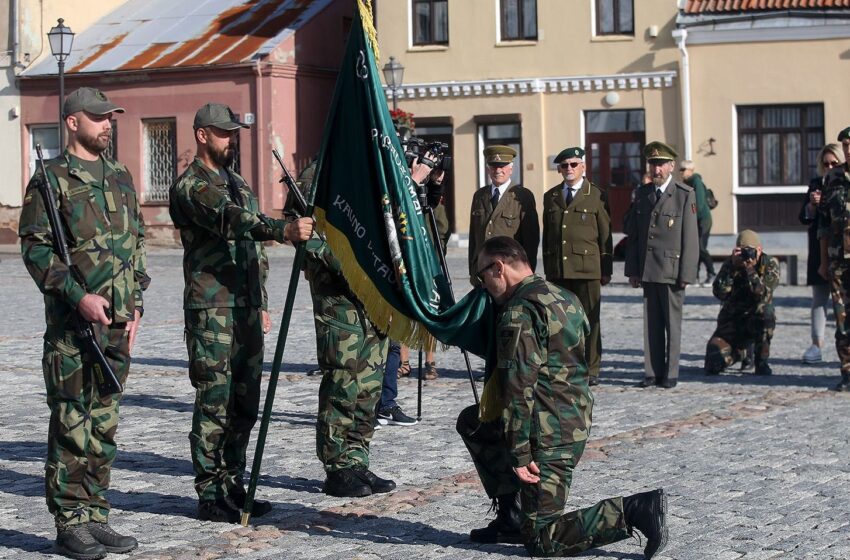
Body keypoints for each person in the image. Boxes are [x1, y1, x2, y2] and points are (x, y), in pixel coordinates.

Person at [457, 236, 667, 558]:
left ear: (498, 267)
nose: (481, 286)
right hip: (571, 419)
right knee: (474, 422)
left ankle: (635, 510)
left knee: (542, 541)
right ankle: (512, 517)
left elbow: (518, 389)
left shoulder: (518, 312)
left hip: (549, 436)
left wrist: (521, 454)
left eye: (481, 276)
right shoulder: (564, 297)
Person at [19, 87, 148, 559]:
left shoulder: (119, 175)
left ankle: (96, 513)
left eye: (110, 118)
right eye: (98, 118)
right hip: (74, 327)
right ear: (73, 123)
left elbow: (136, 244)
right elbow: (35, 249)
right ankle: (69, 520)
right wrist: (79, 296)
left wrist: (136, 304)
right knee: (73, 422)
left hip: (116, 326)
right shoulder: (50, 179)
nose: (107, 125)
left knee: (105, 424)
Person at [168, 103, 313, 523]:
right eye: (223, 133)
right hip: (212, 307)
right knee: (215, 399)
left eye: (233, 133)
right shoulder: (192, 185)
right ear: (201, 135)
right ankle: (210, 491)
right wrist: (281, 230)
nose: (230, 140)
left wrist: (261, 300)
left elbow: (253, 252)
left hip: (246, 306)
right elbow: (232, 221)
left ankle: (234, 482)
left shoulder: (237, 181)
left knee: (244, 401)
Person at [625, 141, 699, 389]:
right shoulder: (643, 194)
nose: (656, 170)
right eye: (652, 165)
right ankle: (651, 372)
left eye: (660, 165)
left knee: (672, 324)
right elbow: (634, 236)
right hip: (648, 269)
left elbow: (690, 238)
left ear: (671, 166)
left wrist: (687, 272)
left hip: (672, 269)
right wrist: (633, 270)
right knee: (651, 324)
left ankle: (671, 373)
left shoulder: (684, 194)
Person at [542, 147, 612, 386]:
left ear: (583, 166)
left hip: (587, 269)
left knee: (590, 320)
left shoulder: (596, 195)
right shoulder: (550, 196)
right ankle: (565, 365)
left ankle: (591, 368)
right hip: (559, 271)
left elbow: (605, 236)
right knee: (561, 322)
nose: (568, 169)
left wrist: (606, 268)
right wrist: (548, 268)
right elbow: (549, 237)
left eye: (573, 164)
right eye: (564, 166)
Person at [704, 230, 779, 377]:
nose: (746, 255)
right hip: (733, 321)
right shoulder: (731, 263)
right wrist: (732, 268)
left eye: (750, 251)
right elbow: (719, 293)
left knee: (767, 311)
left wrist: (750, 269)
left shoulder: (769, 263)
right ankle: (739, 353)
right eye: (742, 250)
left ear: (759, 250)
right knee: (713, 365)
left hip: (756, 320)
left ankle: (761, 361)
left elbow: (762, 294)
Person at [799, 144, 845, 364]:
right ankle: (817, 344)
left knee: (843, 302)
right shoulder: (816, 185)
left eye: (833, 163)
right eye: (825, 163)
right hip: (820, 248)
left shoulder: (843, 183)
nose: (829, 167)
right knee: (819, 298)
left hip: (844, 250)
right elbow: (804, 217)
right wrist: (812, 206)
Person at [468, 145, 539, 285]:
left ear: (511, 168)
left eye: (503, 166)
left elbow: (531, 240)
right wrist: (473, 270)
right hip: (482, 273)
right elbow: (473, 238)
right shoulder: (480, 196)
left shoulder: (522, 196)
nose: (498, 170)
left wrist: (526, 274)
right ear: (488, 169)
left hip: (510, 274)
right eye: (493, 166)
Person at [817, 126, 850, 392]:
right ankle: (848, 372)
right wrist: (824, 262)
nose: (849, 150)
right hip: (838, 261)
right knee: (842, 319)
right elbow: (823, 224)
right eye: (846, 145)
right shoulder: (833, 179)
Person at [680, 160, 715, 285]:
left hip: (703, 219)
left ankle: (712, 274)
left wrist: (689, 216)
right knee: (695, 248)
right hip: (695, 219)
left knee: (701, 247)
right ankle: (695, 276)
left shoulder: (696, 182)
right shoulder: (686, 182)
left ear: (690, 170)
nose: (681, 172)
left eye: (683, 169)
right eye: (680, 169)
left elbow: (698, 204)